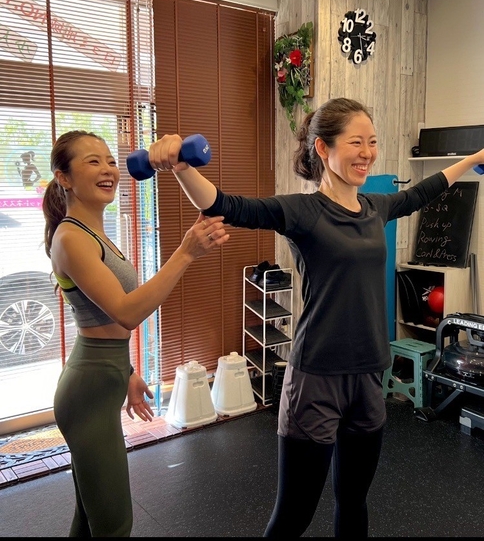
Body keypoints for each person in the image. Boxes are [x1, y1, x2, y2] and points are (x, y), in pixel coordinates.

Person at [145, 98, 484, 538]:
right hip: (316, 378)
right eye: (356, 142)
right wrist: (180, 167)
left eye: (373, 142)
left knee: (354, 501)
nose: (367, 152)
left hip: (368, 375)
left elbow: (422, 192)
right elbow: (226, 205)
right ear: (323, 148)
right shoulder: (303, 212)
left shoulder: (376, 207)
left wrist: (474, 159)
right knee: (294, 517)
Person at [42, 130, 229, 537]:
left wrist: (126, 371)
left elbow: (101, 317)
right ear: (64, 178)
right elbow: (126, 313)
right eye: (93, 161)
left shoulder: (94, 234)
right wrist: (186, 252)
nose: (108, 169)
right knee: (114, 524)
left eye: (110, 160)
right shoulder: (71, 238)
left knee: (90, 519)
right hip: (88, 391)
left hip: (105, 375)